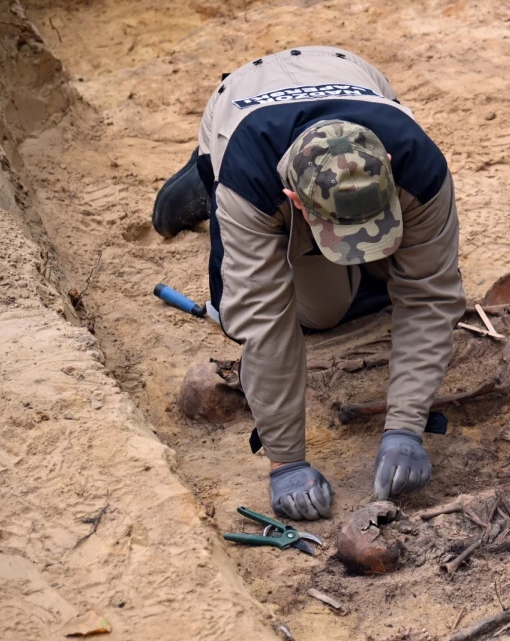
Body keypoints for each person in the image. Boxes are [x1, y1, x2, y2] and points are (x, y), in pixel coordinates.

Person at [152, 46, 465, 520]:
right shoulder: (252, 187)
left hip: (345, 71)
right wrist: (286, 462)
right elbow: (265, 326)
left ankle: (351, 244)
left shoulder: (418, 164)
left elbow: (430, 295)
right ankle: (201, 180)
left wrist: (405, 427)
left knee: (400, 268)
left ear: (386, 162)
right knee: (319, 313)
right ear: (294, 199)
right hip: (243, 114)